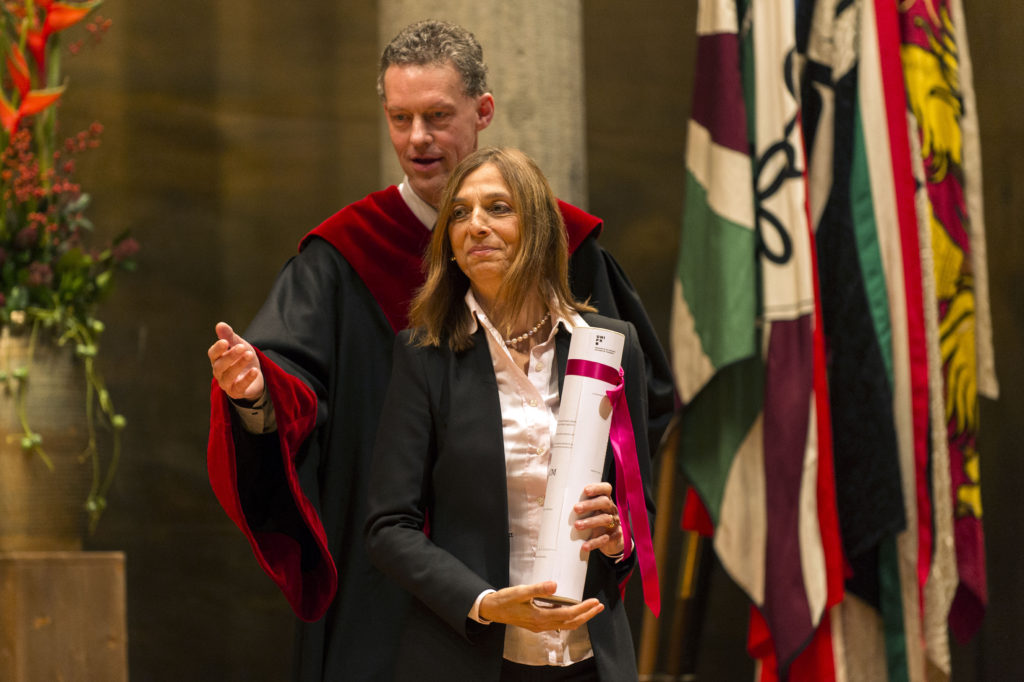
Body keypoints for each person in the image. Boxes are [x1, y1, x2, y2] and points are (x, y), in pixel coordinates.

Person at [206, 19, 673, 682]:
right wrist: (256, 391)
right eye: (400, 119)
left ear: (482, 113)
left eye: (436, 116)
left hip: (556, 613)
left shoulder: (570, 250)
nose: (418, 139)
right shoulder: (342, 257)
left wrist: (614, 533)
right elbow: (287, 384)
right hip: (387, 589)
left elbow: (635, 424)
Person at [365, 147, 655, 682]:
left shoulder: (611, 347)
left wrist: (619, 537)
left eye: (498, 208)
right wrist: (486, 602)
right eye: (459, 213)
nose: (475, 225)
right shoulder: (424, 356)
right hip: (470, 657)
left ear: (540, 229)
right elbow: (388, 526)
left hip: (591, 658)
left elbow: (640, 509)